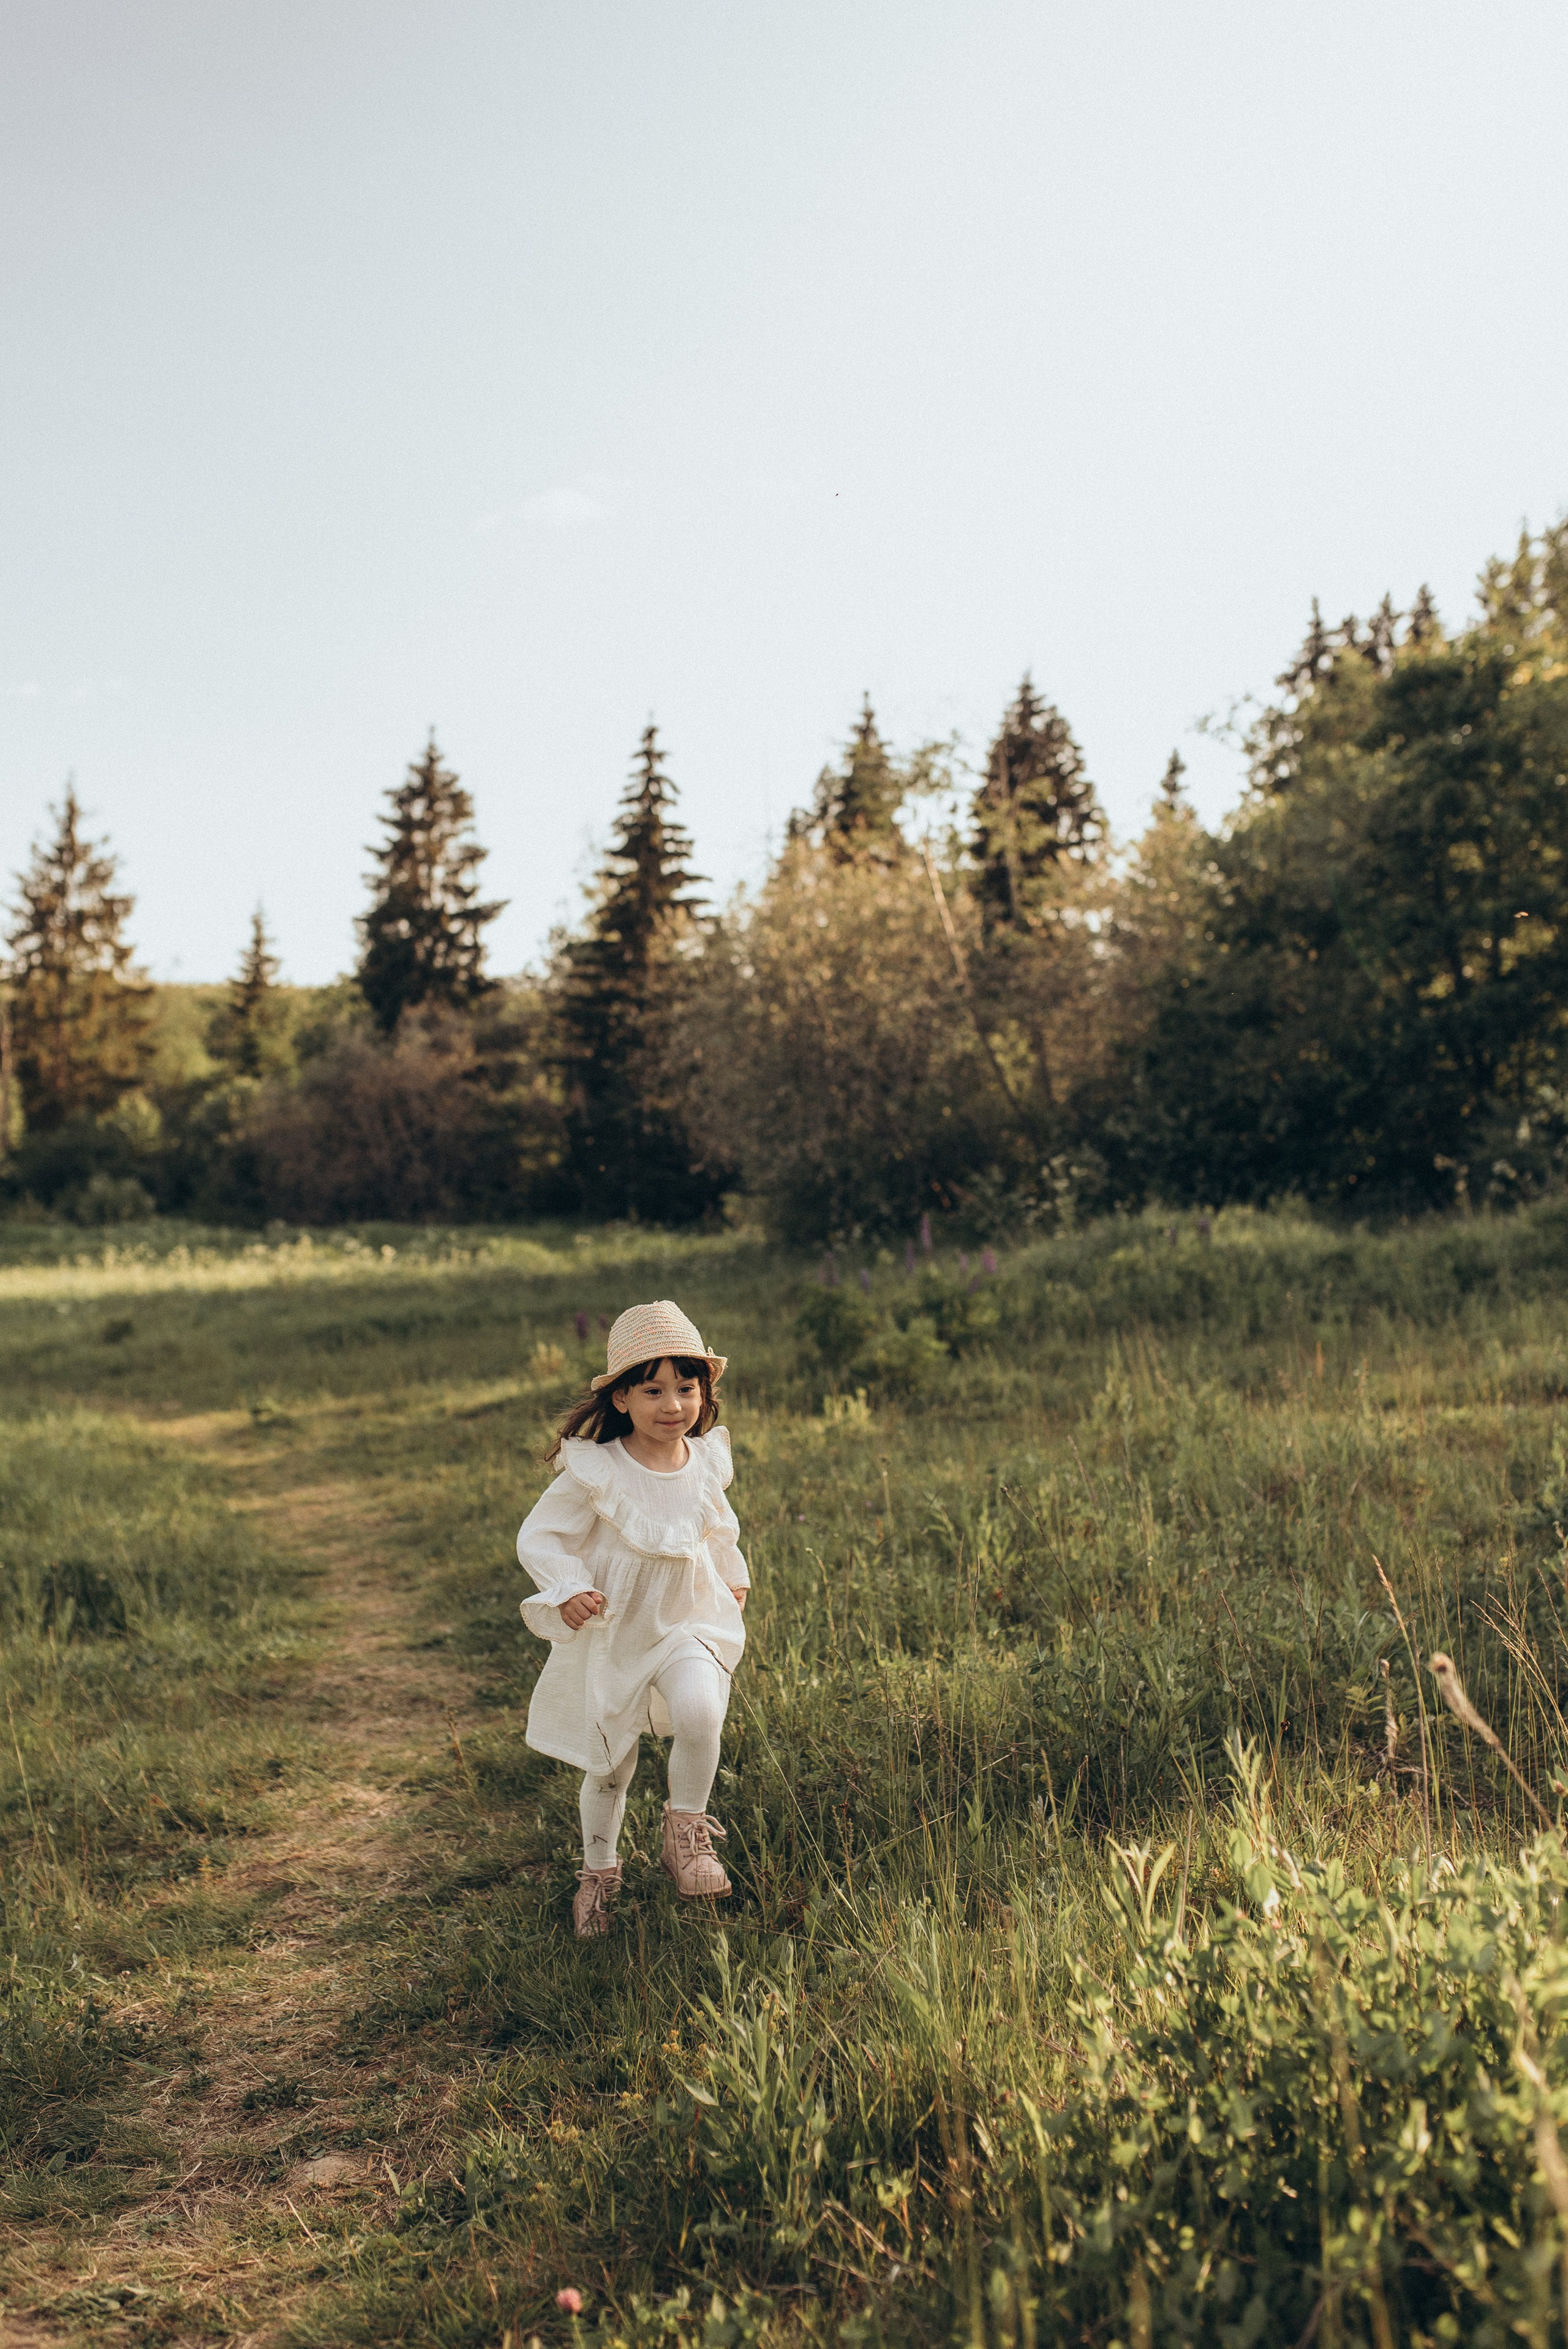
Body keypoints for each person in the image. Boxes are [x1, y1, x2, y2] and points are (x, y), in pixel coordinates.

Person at [516, 1300, 750, 1938]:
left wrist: (734, 1576)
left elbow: (718, 1526)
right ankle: (599, 1873)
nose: (673, 1404)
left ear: (704, 1391)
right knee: (612, 1764)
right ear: (620, 1398)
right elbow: (540, 1537)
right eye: (653, 1389)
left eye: (687, 1386)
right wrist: (567, 1587)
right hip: (616, 1630)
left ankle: (687, 1834)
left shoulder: (704, 1461)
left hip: (689, 1621)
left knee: (702, 1711)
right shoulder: (598, 1469)